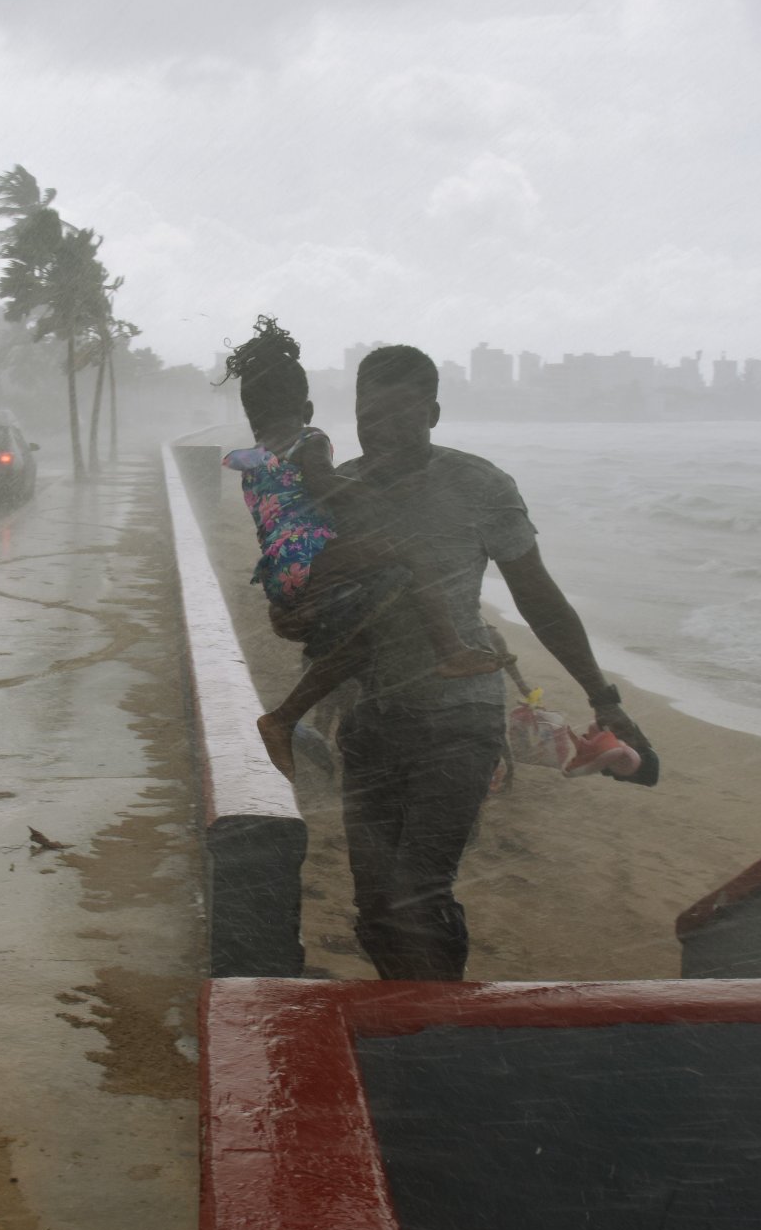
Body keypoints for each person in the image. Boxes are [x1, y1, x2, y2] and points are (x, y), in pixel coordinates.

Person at [325, 343, 655, 981]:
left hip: (461, 717)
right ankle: (413, 1018)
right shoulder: (342, 492)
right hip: (372, 720)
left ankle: (441, 1029)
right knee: (373, 908)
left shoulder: (480, 486)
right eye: (370, 413)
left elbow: (540, 599)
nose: (384, 429)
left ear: (434, 413)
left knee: (419, 892)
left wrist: (602, 696)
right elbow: (332, 612)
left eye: (402, 414)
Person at [218, 318, 505, 775]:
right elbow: (326, 486)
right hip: (311, 558)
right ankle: (452, 650)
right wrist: (382, 495)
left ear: (251, 415)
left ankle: (284, 717)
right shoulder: (310, 441)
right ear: (308, 407)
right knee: (412, 553)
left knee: (357, 643)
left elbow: (278, 501)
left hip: (278, 570)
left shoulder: (250, 460)